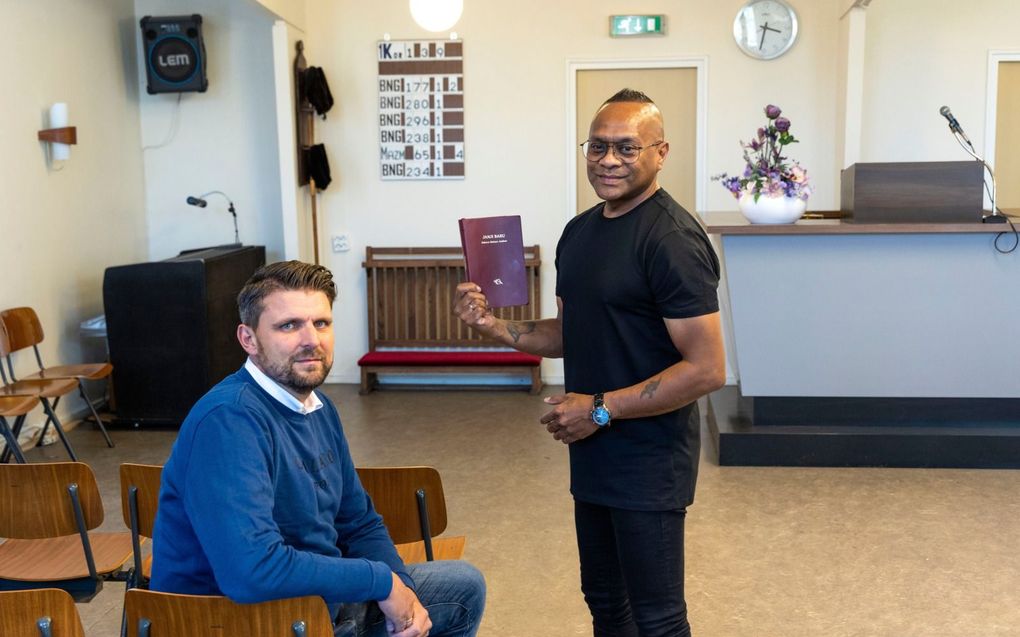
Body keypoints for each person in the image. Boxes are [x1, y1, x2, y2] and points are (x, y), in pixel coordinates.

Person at [454, 89, 725, 636]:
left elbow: (707, 369)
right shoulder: (578, 233)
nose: (608, 160)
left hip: (649, 458)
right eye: (597, 147)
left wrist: (599, 409)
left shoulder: (671, 239)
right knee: (604, 599)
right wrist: (494, 327)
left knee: (658, 617)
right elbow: (571, 333)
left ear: (660, 151)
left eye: (626, 148)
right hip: (591, 448)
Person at [152, 260, 485, 637]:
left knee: (462, 585)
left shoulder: (318, 407)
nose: (311, 339)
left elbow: (357, 522)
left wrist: (401, 587)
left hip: (314, 604)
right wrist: (380, 583)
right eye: (289, 325)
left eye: (321, 323)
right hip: (239, 621)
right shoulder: (228, 420)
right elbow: (251, 573)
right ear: (248, 339)